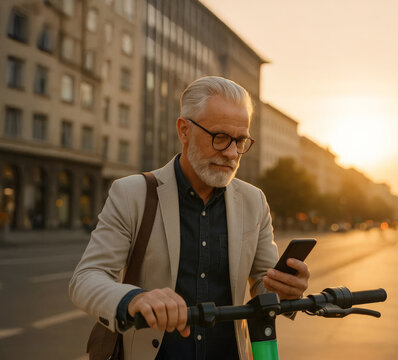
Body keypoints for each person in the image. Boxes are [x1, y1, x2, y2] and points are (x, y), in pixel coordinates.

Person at [69, 76, 310, 360]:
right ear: (184, 130)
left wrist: (286, 291)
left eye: (241, 140)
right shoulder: (131, 193)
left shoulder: (254, 201)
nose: (232, 153)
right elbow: (86, 278)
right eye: (220, 138)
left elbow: (263, 287)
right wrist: (134, 299)